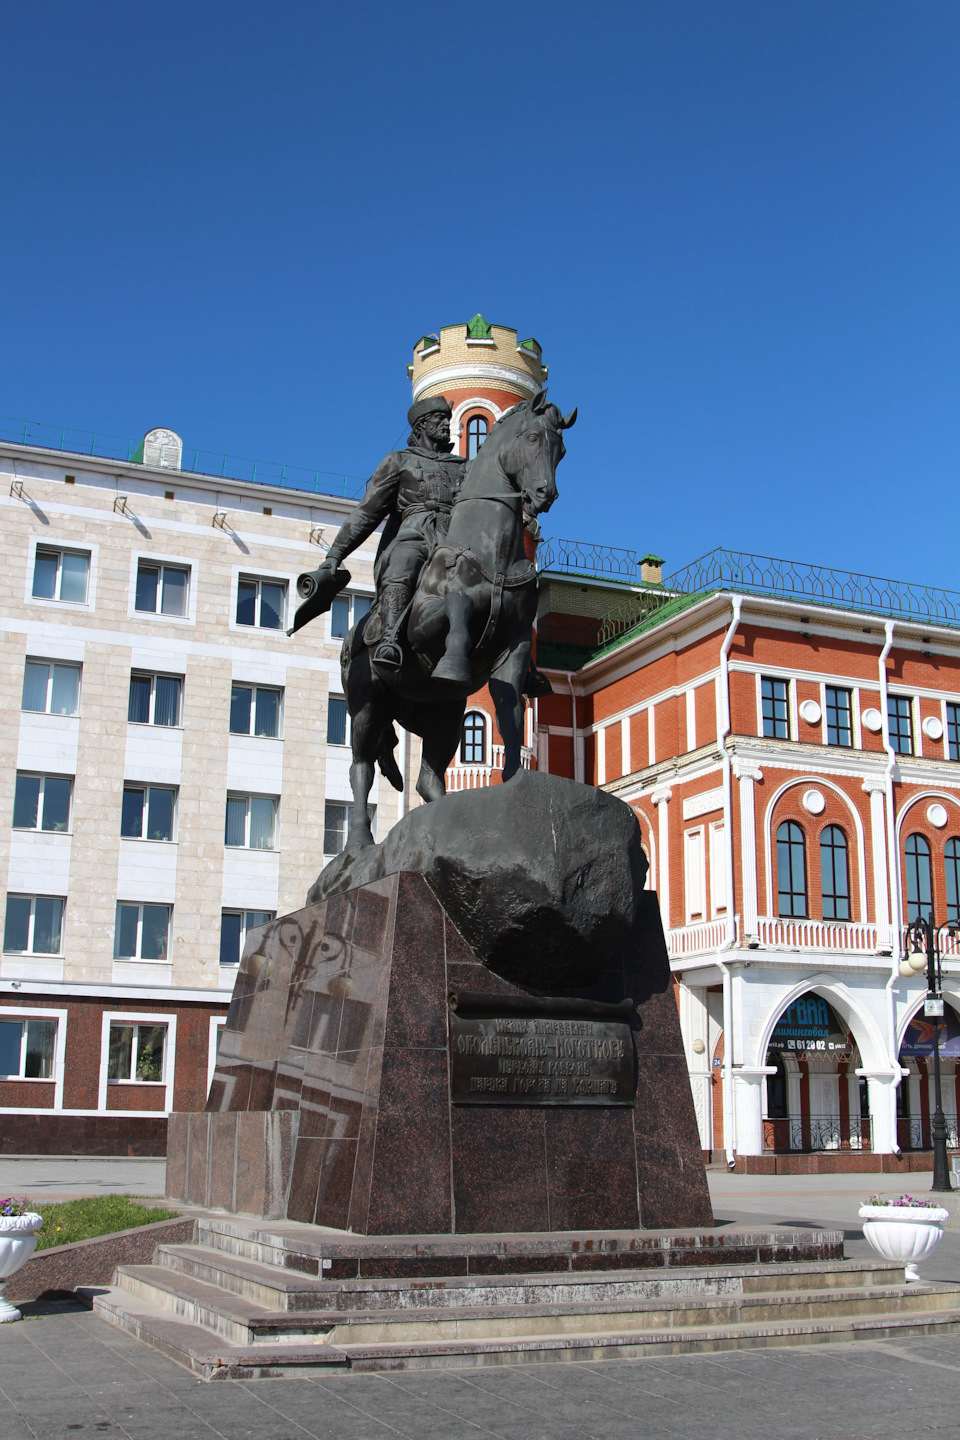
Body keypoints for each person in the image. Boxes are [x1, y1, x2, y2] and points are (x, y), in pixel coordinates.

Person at [311, 395, 466, 668]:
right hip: (415, 534)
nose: (446, 424)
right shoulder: (400, 461)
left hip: (457, 538)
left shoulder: (463, 466)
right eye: (439, 419)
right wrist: (335, 555)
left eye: (447, 419)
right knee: (403, 564)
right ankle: (390, 638)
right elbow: (366, 512)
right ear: (420, 426)